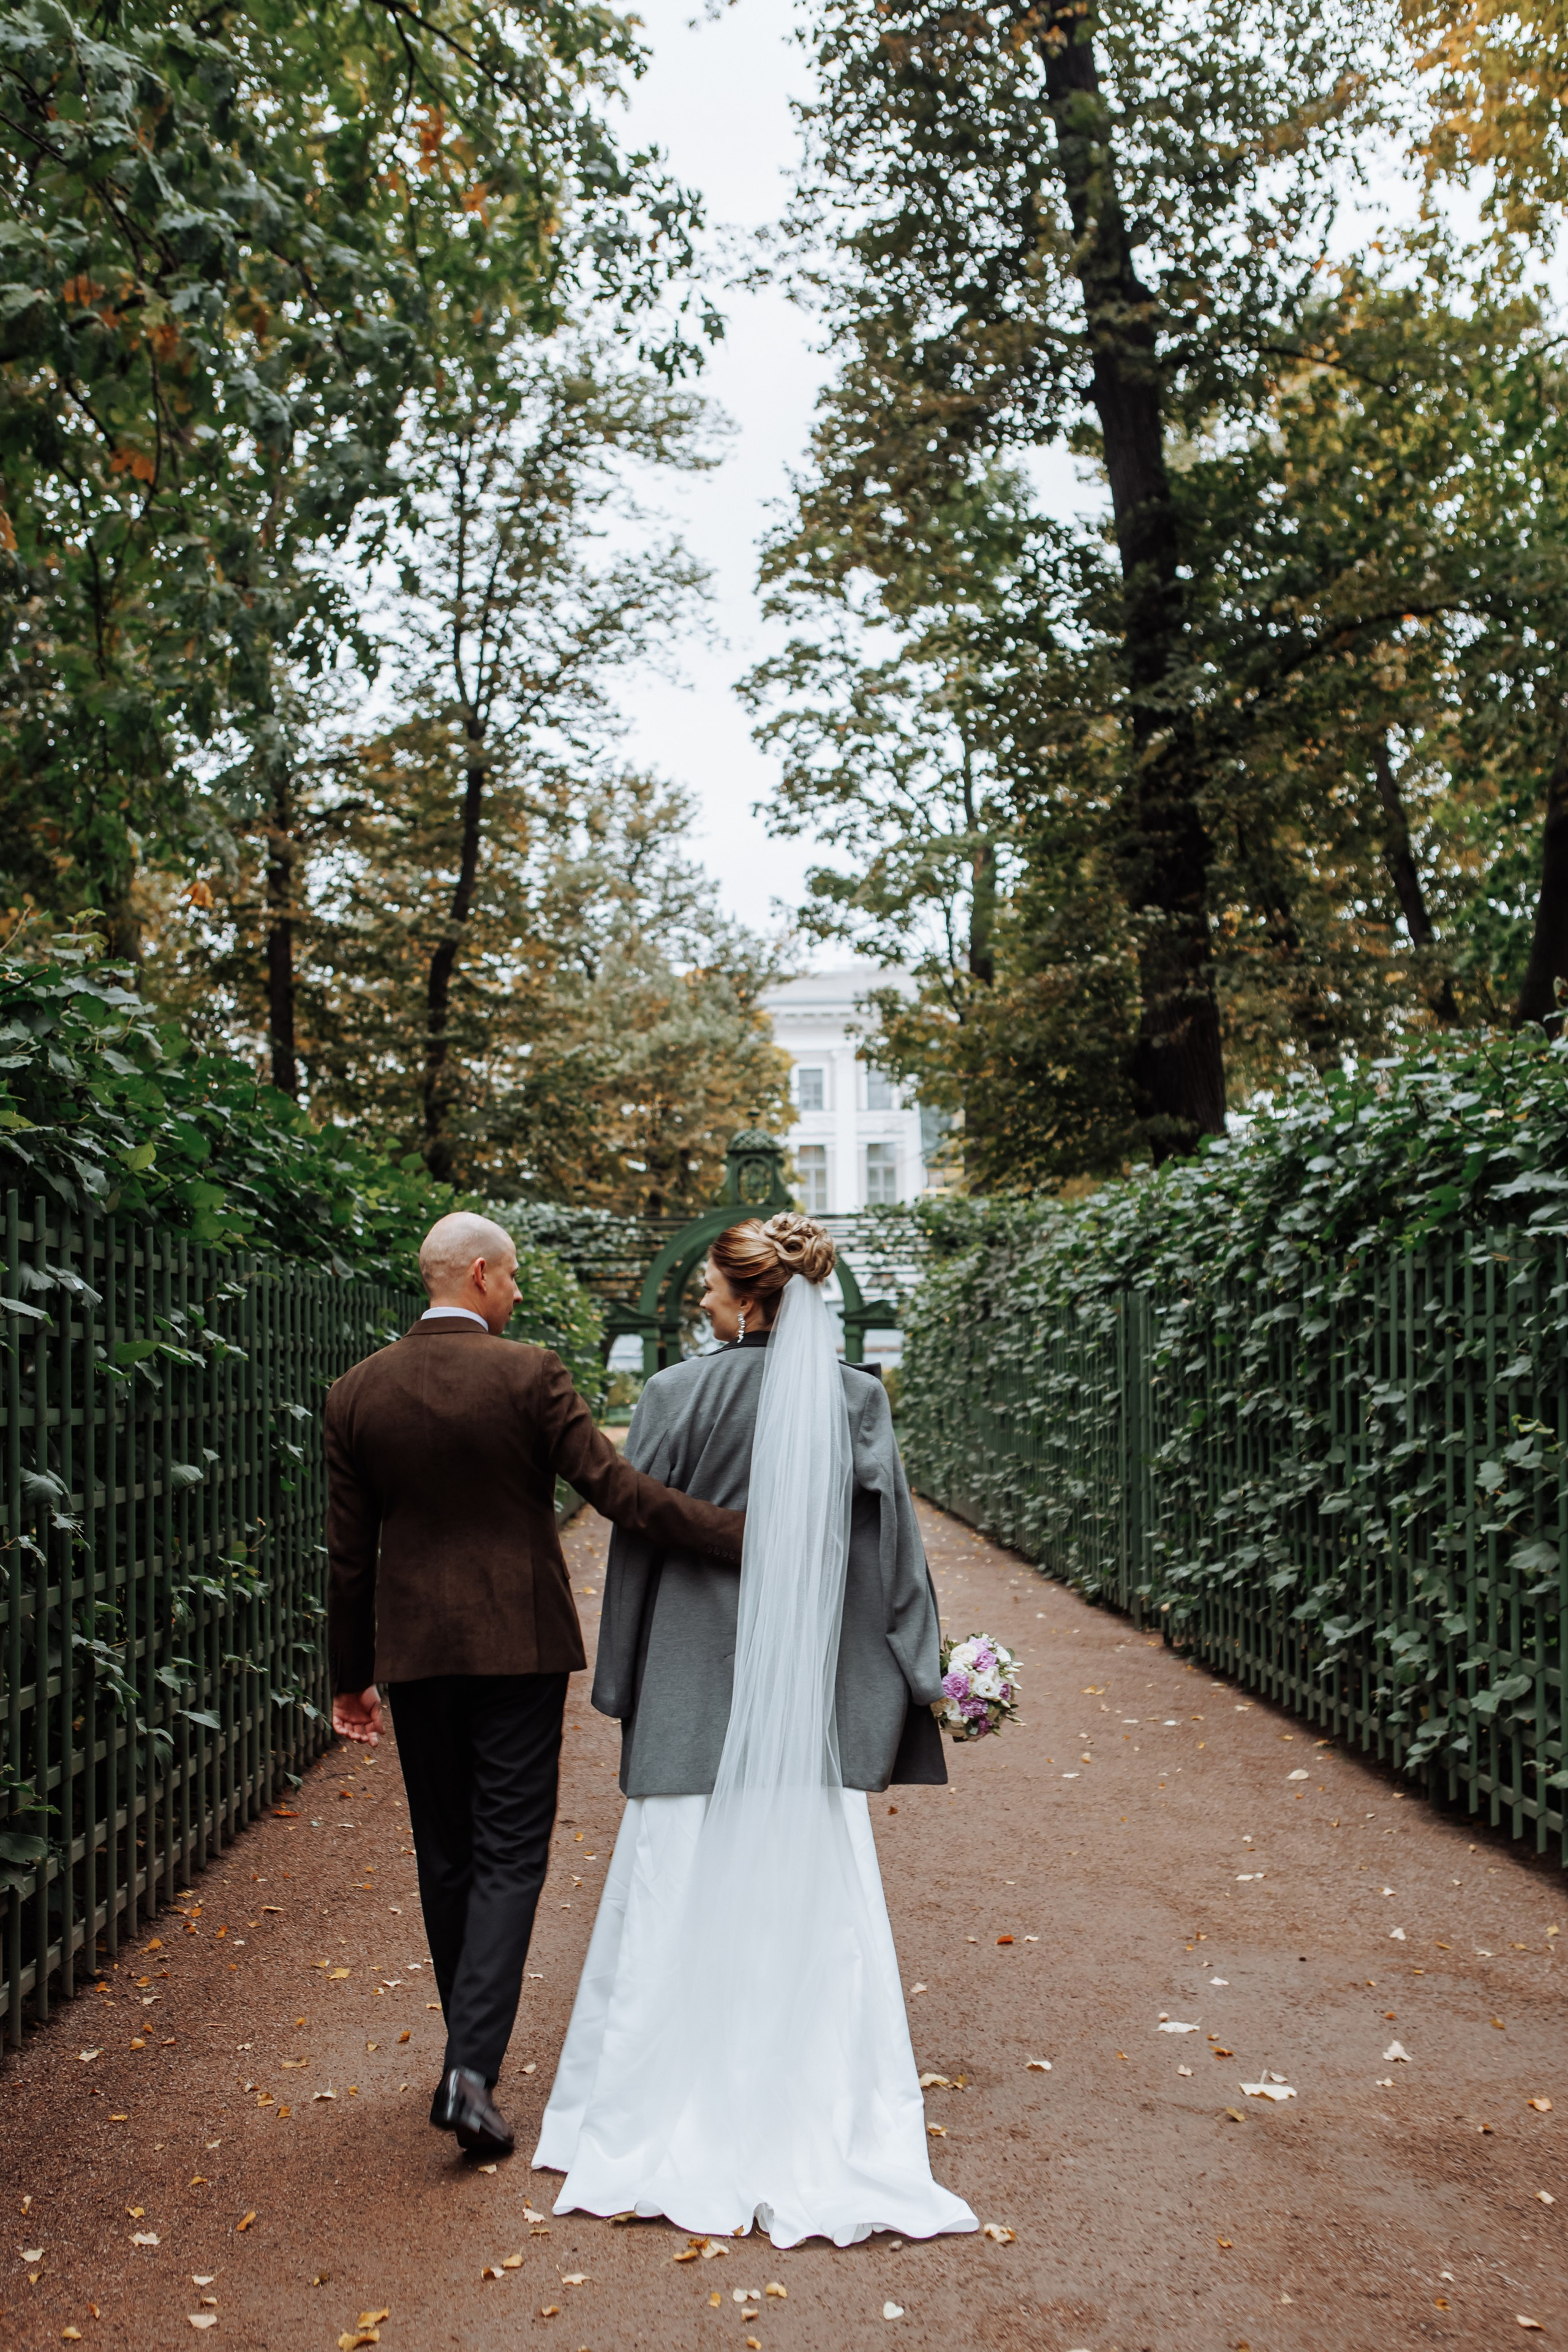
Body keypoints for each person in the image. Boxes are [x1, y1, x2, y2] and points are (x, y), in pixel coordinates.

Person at [534, 1212, 978, 2249]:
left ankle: (653, 2102)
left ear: (749, 1300)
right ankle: (813, 2102)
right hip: (810, 1707)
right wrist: (926, 1674)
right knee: (812, 1907)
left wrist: (630, 1678)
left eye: (708, 1289)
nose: (699, 1301)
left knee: (674, 1893)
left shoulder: (675, 1395)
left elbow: (638, 1550)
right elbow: (894, 1557)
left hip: (691, 1688)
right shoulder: (856, 1399)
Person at [324, 1211, 747, 2163]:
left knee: (446, 1854)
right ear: (478, 1274)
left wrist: (351, 1679)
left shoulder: (355, 1395)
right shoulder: (529, 1374)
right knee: (512, 1853)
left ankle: (465, 2060)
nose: (516, 1293)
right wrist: (741, 1534)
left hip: (415, 1655)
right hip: (519, 1648)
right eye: (510, 1277)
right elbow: (620, 1494)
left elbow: (350, 1560)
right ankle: (469, 2071)